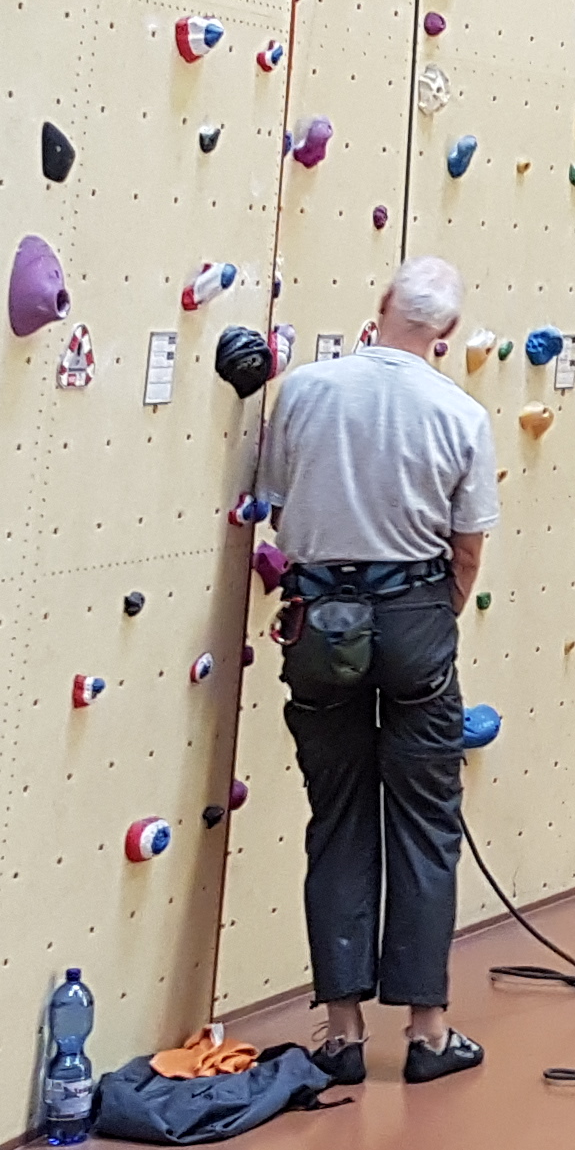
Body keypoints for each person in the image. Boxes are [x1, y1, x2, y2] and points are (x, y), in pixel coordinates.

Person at [238, 257, 500, 1084]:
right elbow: (466, 549)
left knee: (338, 814)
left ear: (380, 306)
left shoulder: (307, 392)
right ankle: (426, 1033)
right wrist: (426, 625)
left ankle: (343, 1032)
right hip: (416, 618)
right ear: (446, 336)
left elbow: (280, 507)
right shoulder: (460, 413)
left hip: (321, 623)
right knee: (425, 823)